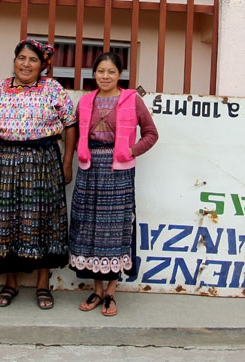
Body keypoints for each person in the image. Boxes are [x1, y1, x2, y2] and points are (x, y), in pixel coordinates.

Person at [0, 38, 76, 310]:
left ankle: (42, 284)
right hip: (3, 161)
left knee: (42, 220)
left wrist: (67, 162)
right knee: (5, 222)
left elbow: (70, 125)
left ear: (42, 65)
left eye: (33, 60)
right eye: (22, 58)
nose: (26, 64)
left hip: (42, 161)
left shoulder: (52, 89)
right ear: (15, 60)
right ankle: (11, 282)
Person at [69, 52, 158, 316]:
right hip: (89, 170)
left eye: (110, 72)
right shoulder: (85, 101)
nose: (105, 76)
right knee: (90, 227)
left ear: (120, 75)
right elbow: (76, 132)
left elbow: (151, 134)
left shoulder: (132, 100)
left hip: (118, 173)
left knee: (115, 228)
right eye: (100, 71)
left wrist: (130, 151)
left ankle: (111, 292)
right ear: (93, 74)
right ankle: (97, 290)